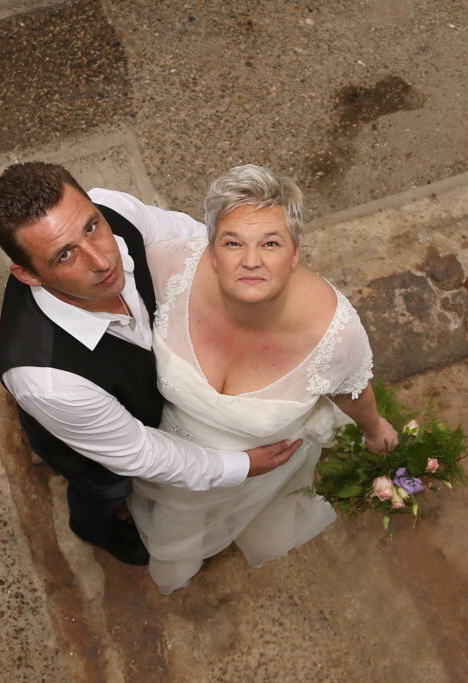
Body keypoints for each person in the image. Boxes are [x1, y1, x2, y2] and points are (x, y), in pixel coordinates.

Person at [0, 162, 303, 566]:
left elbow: (191, 240)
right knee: (105, 488)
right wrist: (240, 466)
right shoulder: (46, 380)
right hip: (94, 448)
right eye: (65, 255)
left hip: (151, 398)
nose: (102, 261)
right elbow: (139, 452)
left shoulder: (114, 209)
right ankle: (94, 529)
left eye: (91, 227)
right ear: (28, 274)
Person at [128, 164, 399, 593]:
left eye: (270, 243)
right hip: (174, 453)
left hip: (262, 468)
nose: (251, 261)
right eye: (233, 242)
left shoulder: (336, 334)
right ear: (211, 250)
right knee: (176, 522)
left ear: (294, 254)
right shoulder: (171, 267)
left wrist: (375, 430)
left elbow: (351, 389)